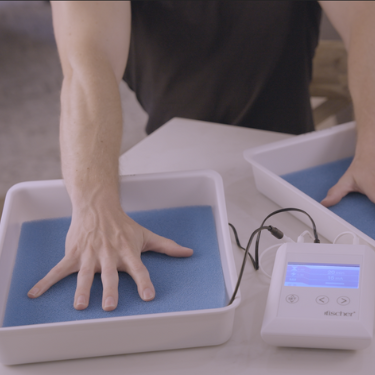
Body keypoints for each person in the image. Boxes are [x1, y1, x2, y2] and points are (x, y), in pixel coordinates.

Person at [27, 1, 375, 311]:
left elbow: (366, 14)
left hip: (287, 165)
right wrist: (93, 204)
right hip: (175, 160)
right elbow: (87, 62)